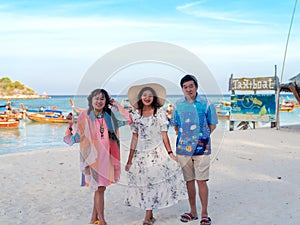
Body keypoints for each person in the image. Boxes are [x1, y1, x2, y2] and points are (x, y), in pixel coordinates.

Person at [64, 88, 131, 225]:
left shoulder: (110, 115)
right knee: (99, 188)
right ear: (91, 100)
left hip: (107, 157)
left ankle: (93, 218)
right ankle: (102, 220)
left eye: (102, 98)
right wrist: (70, 125)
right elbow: (77, 137)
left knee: (101, 188)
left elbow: (128, 119)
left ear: (106, 101)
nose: (99, 101)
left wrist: (117, 105)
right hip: (92, 158)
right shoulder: (85, 115)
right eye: (96, 98)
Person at [125, 83, 186, 225]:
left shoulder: (160, 113)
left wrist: (170, 153)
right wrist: (129, 159)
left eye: (150, 95)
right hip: (141, 155)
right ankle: (149, 214)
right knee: (145, 184)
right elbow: (135, 137)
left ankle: (148, 216)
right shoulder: (134, 114)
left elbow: (164, 135)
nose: (147, 97)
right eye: (144, 95)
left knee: (155, 183)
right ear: (140, 97)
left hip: (157, 153)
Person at [170, 75, 218, 225]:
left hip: (202, 150)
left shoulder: (207, 103)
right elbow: (175, 126)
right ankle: (193, 212)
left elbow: (213, 124)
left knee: (201, 181)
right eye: (185, 87)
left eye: (191, 86)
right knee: (189, 182)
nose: (188, 89)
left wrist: (201, 138)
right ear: (182, 89)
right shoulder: (178, 104)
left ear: (196, 86)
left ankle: (204, 214)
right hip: (183, 150)